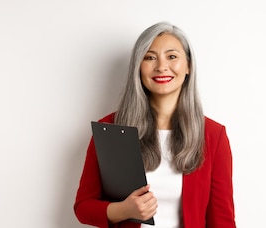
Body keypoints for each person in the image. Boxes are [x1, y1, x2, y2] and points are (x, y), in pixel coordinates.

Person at [74, 21, 236, 228]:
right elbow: (83, 207)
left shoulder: (213, 135)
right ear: (138, 67)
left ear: (188, 66)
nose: (161, 66)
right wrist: (124, 210)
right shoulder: (109, 129)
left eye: (172, 56)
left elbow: (222, 220)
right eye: (150, 57)